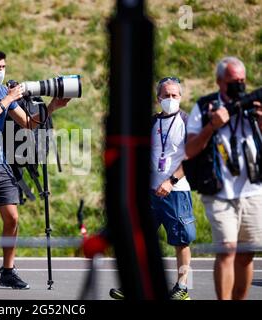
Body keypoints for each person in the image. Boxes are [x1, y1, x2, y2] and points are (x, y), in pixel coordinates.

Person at [0, 50, 70, 289]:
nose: (2, 71)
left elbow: (28, 124)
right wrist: (8, 99)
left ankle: (8, 270)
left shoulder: (1, 93)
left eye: (4, 67)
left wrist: (51, 107)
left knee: (12, 217)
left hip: (1, 164)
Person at [110, 77, 196, 300]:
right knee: (140, 237)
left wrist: (171, 181)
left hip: (176, 191)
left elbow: (191, 157)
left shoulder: (187, 121)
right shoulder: (151, 122)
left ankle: (182, 286)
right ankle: (134, 283)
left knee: (181, 240)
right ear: (158, 98)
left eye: (174, 95)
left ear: (180, 97)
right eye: (166, 95)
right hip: (149, 191)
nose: (170, 99)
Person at [185, 57, 262, 300]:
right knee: (227, 251)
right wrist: (212, 126)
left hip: (252, 190)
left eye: (242, 81)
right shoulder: (205, 107)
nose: (239, 86)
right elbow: (190, 150)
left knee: (246, 253)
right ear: (219, 81)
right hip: (219, 192)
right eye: (232, 81)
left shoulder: (254, 105)